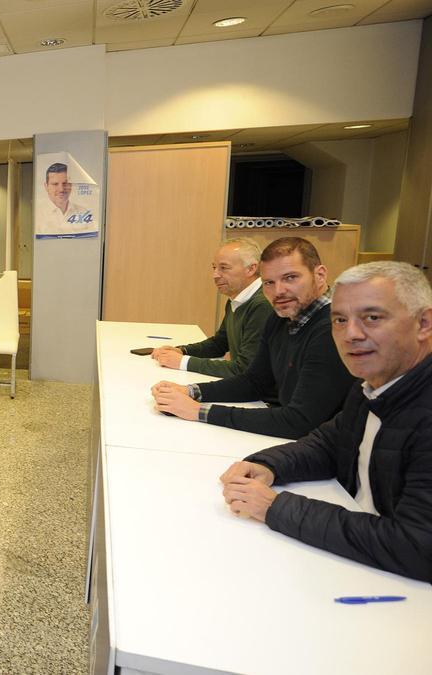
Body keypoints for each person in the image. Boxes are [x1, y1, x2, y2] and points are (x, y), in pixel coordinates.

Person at [219, 262, 432, 582]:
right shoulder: (373, 384)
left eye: (372, 318)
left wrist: (276, 508)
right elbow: (330, 444)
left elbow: (416, 547)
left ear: (424, 323)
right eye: (339, 320)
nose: (352, 334)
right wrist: (268, 464)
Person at [152, 237, 355, 439]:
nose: (279, 291)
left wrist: (198, 411)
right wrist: (190, 391)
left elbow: (300, 421)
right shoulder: (280, 318)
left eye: (290, 278)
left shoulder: (333, 330)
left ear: (320, 275)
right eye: (269, 282)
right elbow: (254, 382)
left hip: (324, 453)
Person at [151, 238, 273, 377]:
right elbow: (219, 344)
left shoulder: (262, 305)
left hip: (263, 397)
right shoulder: (237, 298)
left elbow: (244, 369)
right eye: (214, 268)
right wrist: (182, 351)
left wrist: (184, 362)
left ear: (251, 268)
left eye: (224, 268)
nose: (215, 275)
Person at [37, 162, 95, 237]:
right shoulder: (38, 215)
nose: (61, 189)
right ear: (46, 186)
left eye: (65, 183)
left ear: (71, 185)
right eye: (55, 184)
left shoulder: (84, 213)